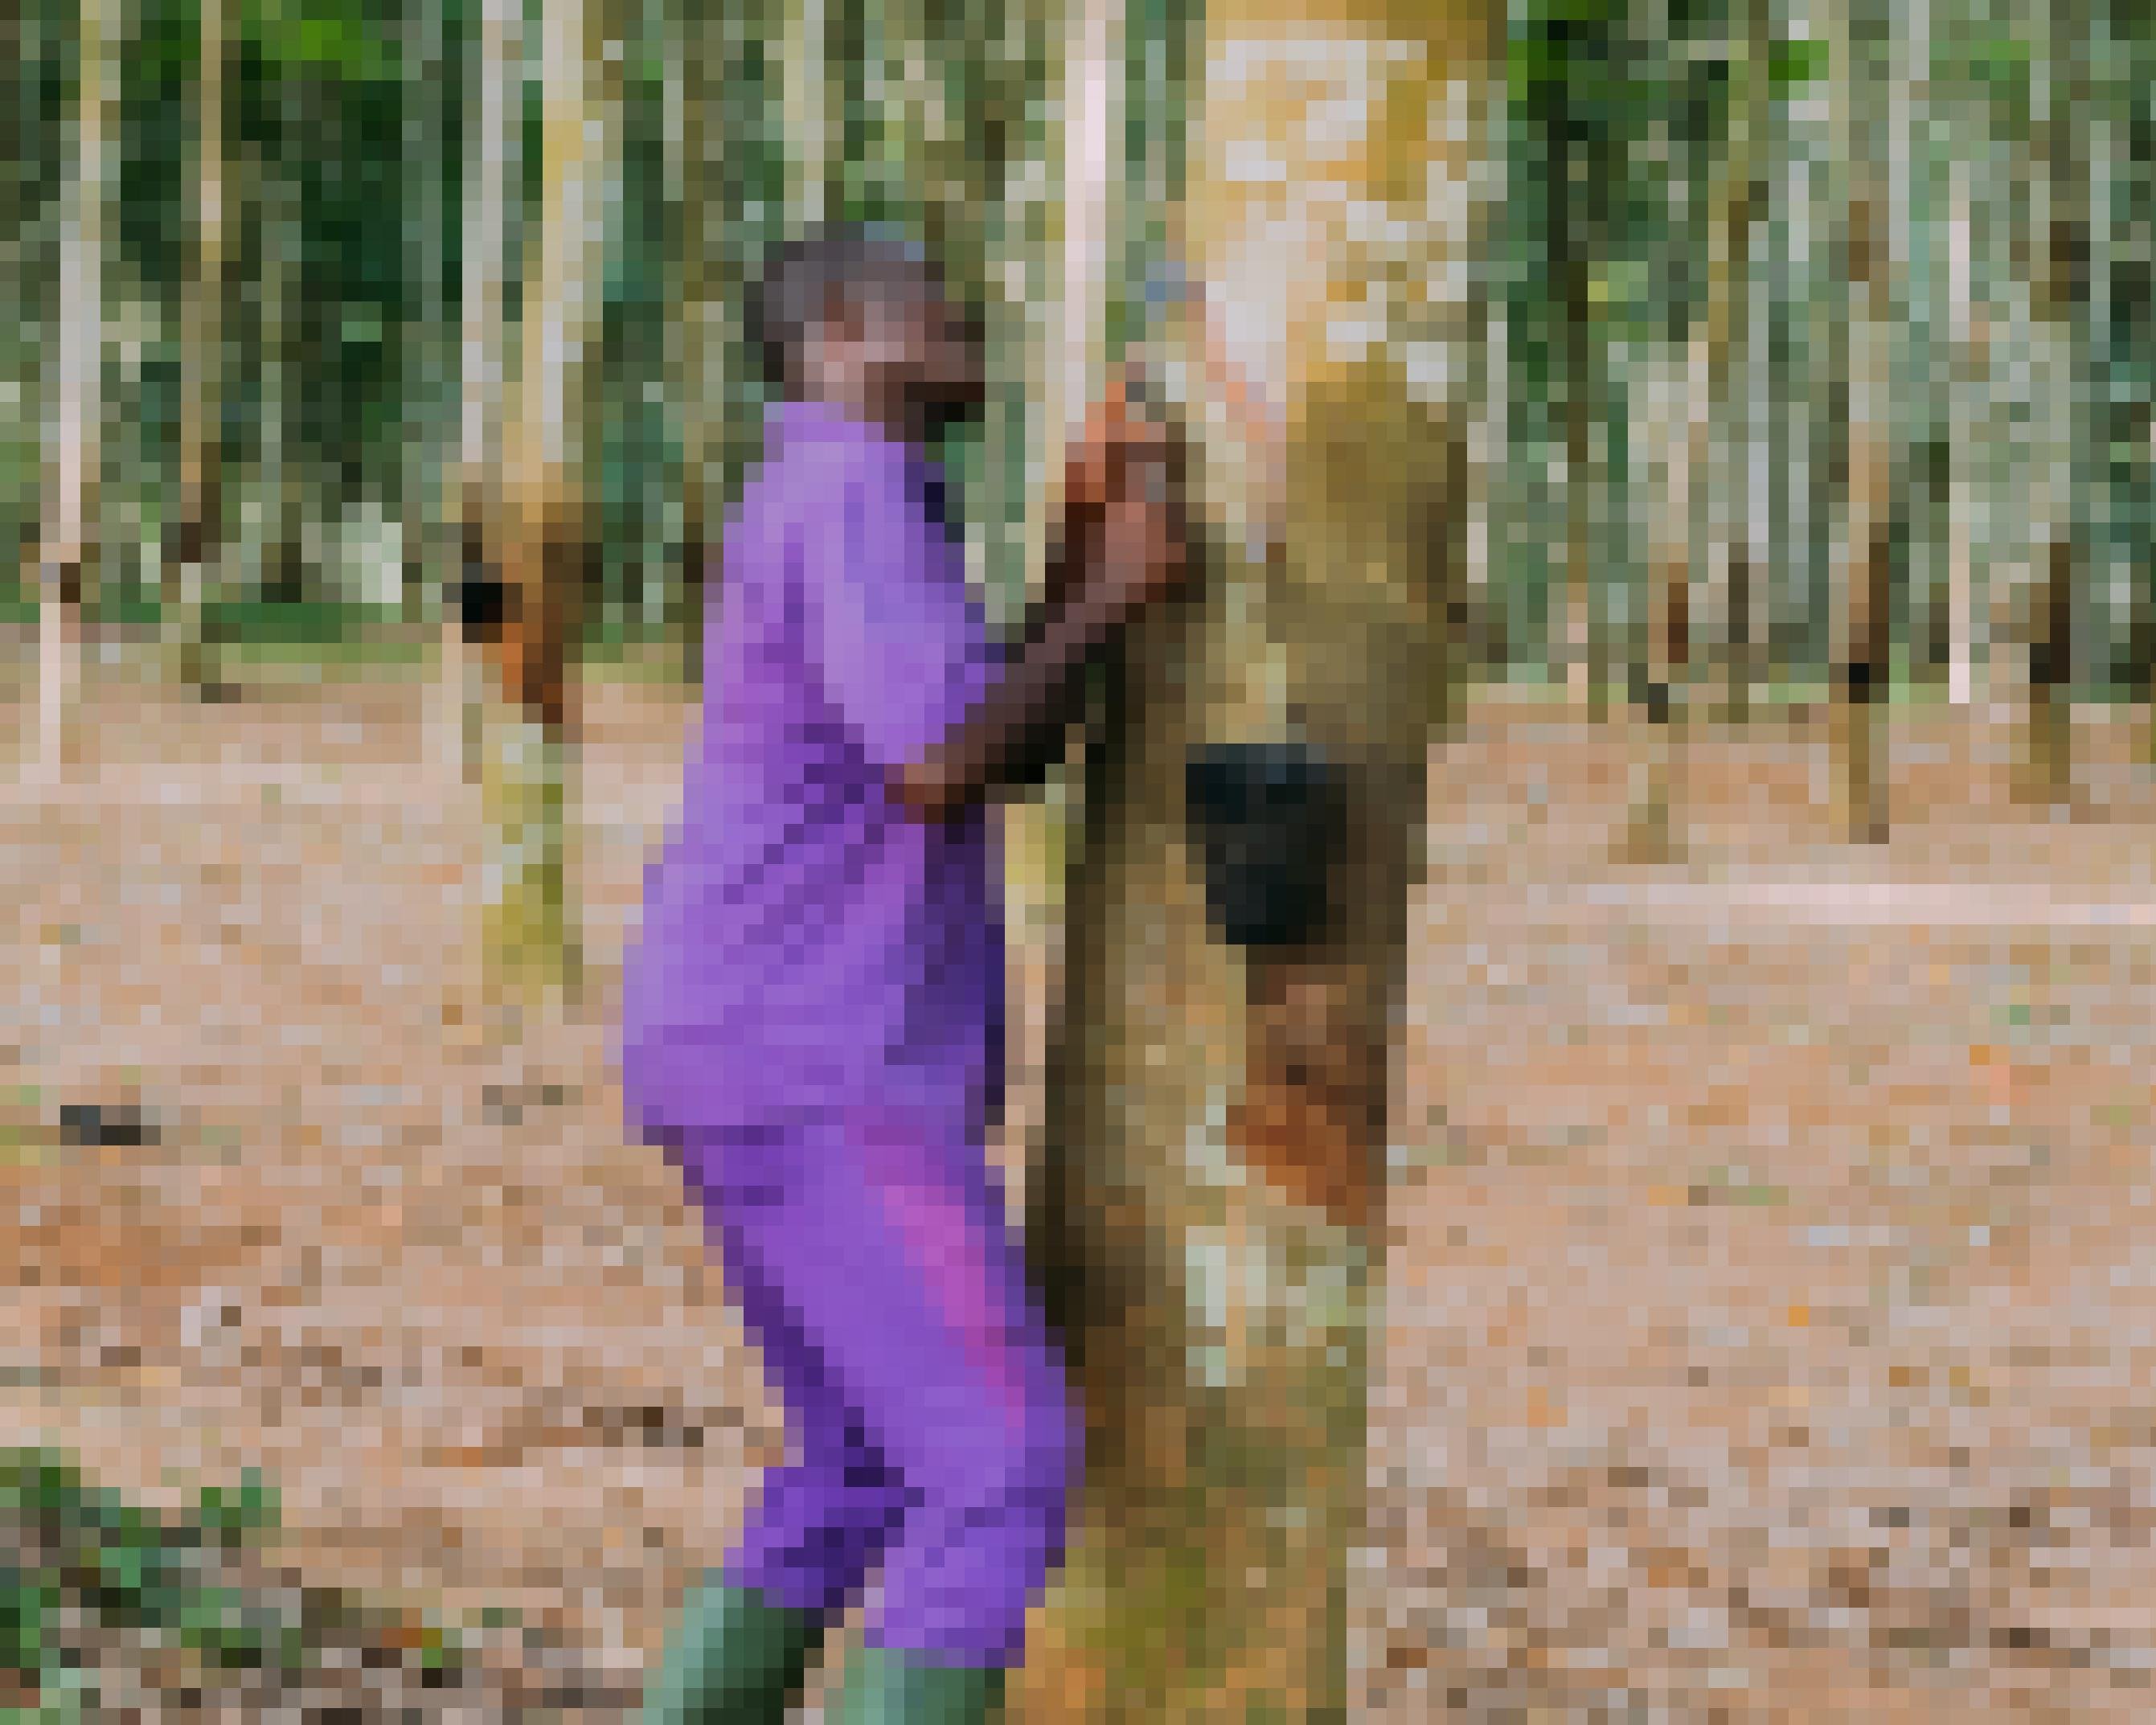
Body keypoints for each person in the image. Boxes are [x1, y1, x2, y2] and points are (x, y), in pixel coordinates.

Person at [621, 223, 1191, 1723]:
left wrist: (1081, 574)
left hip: (735, 1043)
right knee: (997, 1471)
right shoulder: (851, 490)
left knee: (854, 1464)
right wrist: (1101, 601)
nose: (971, 321)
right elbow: (943, 767)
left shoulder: (840, 494)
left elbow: (996, 736)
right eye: (942, 304)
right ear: (854, 332)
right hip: (821, 1059)